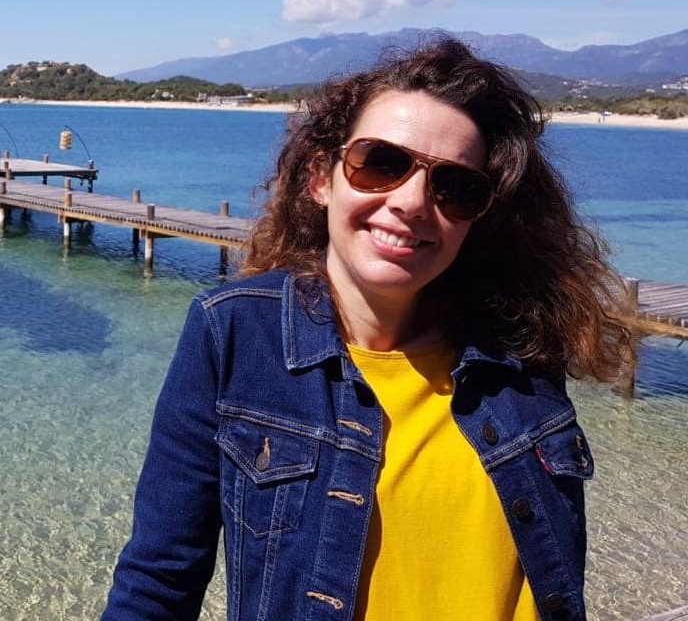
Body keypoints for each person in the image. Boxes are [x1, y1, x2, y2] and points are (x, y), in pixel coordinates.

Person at [102, 38, 633, 621]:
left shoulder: (523, 346)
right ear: (321, 178)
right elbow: (159, 580)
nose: (412, 202)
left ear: (480, 217)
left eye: (456, 187)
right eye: (381, 162)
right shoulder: (233, 332)